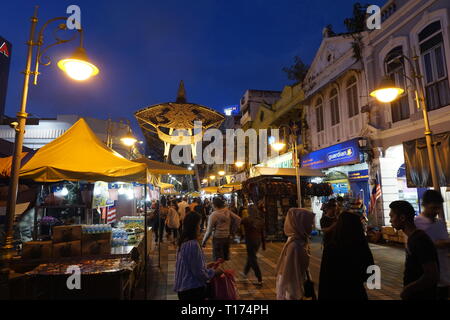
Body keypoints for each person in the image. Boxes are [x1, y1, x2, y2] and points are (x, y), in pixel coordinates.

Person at [318, 208, 374, 300]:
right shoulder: (360, 246)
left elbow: (324, 278)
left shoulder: (331, 248)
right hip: (356, 293)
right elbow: (371, 273)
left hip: (334, 293)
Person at [389, 200, 439, 300]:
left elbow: (431, 274)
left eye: (392, 216)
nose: (390, 220)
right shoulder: (413, 238)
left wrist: (408, 289)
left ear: (402, 218)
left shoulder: (420, 240)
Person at [174, 212, 223, 300]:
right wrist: (214, 272)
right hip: (192, 290)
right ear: (194, 226)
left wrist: (206, 266)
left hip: (183, 289)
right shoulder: (192, 244)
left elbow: (189, 266)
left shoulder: (183, 242)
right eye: (198, 225)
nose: (199, 227)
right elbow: (199, 273)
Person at [414, 190, 450, 300]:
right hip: (426, 276)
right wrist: (440, 244)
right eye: (433, 207)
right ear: (424, 205)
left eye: (438, 208)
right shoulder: (417, 223)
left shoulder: (440, 223)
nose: (436, 211)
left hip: (445, 274)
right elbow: (416, 248)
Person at [276, 208, 315, 300]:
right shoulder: (295, 245)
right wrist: (297, 294)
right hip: (292, 290)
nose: (312, 226)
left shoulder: (298, 241)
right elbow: (290, 276)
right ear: (300, 224)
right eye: (309, 223)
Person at [202, 197, 241, 261]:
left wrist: (204, 241)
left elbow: (209, 231)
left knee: (217, 259)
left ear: (214, 205)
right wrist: (233, 230)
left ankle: (220, 270)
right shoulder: (227, 211)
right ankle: (223, 270)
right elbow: (238, 219)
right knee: (224, 259)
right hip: (226, 237)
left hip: (217, 238)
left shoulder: (213, 215)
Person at [240, 204, 266, 285]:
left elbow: (238, 223)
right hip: (258, 241)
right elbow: (262, 233)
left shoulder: (246, 220)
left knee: (252, 259)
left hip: (250, 241)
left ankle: (259, 278)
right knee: (251, 257)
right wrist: (264, 244)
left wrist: (240, 235)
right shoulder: (260, 220)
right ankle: (245, 273)